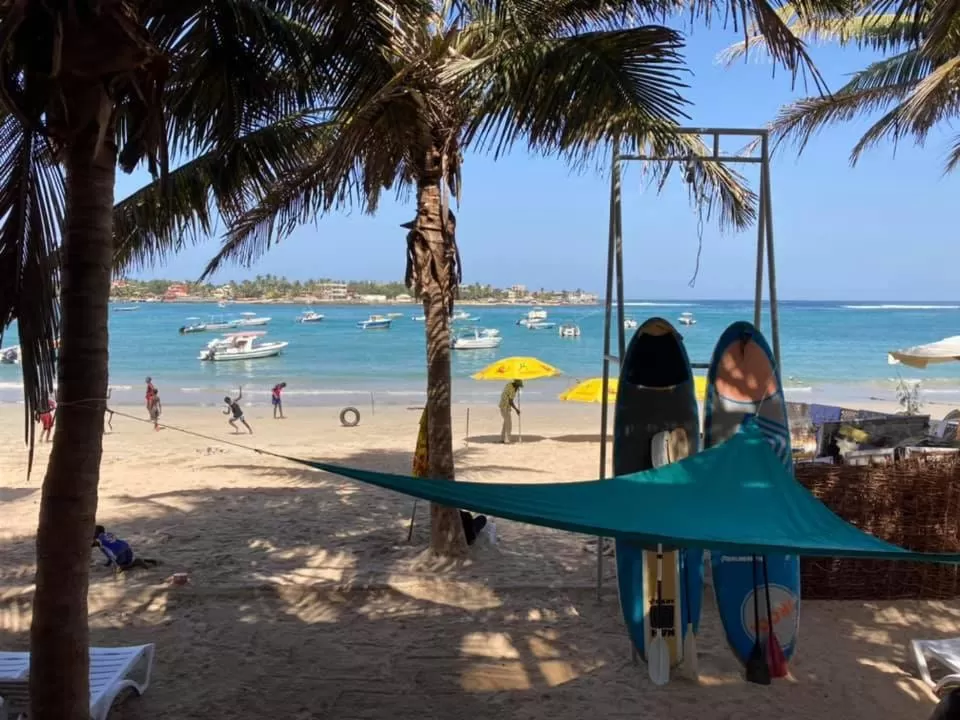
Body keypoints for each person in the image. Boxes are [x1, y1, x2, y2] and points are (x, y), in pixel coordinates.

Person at [92, 525, 159, 572]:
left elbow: (90, 546)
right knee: (127, 561)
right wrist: (108, 563)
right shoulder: (109, 534)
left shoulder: (98, 540)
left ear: (97, 533)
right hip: (127, 549)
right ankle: (145, 561)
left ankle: (136, 562)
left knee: (121, 567)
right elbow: (110, 548)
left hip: (120, 553)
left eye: (93, 532)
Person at [499, 379, 523, 444]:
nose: (518, 388)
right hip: (505, 407)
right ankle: (507, 440)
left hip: (502, 406)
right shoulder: (513, 390)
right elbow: (510, 401)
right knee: (509, 424)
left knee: (506, 423)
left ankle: (502, 438)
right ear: (516, 385)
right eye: (518, 386)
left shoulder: (509, 384)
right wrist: (516, 410)